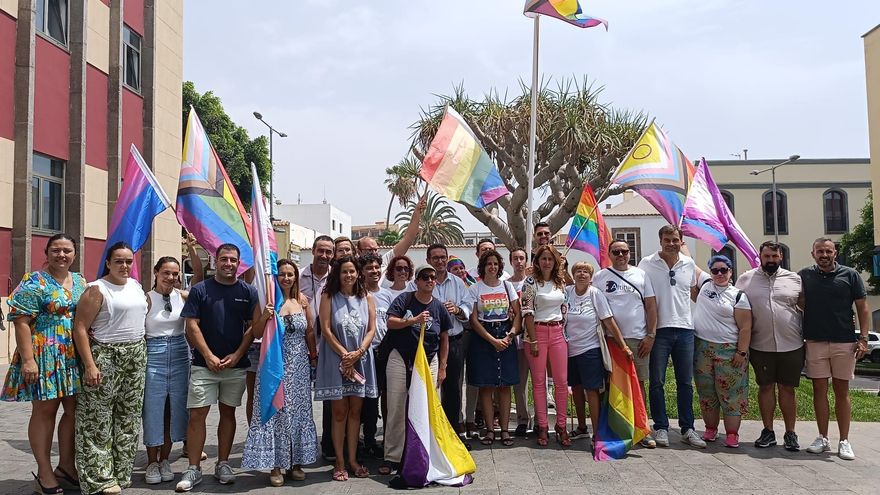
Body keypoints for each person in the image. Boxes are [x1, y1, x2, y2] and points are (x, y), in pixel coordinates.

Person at [3, 234, 85, 494]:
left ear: (75, 253)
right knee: (45, 412)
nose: (62, 255)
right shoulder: (34, 281)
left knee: (74, 412)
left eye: (67, 250)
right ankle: (44, 473)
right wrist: (28, 360)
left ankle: (66, 466)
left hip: (74, 356)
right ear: (47, 252)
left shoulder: (81, 280)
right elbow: (21, 322)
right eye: (56, 250)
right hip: (44, 355)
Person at [176, 243, 258, 492]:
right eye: (224, 259)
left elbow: (253, 327)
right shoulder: (201, 290)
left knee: (228, 414)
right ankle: (193, 468)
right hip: (203, 365)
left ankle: (223, 463)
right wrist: (208, 355)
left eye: (233, 260)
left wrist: (237, 354)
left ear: (239, 263)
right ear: (215, 261)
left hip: (235, 366)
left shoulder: (248, 291)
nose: (228, 264)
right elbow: (192, 325)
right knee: (198, 415)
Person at [72, 242, 148, 495]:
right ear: (108, 263)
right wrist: (90, 365)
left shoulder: (136, 286)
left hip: (136, 355)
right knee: (98, 419)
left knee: (128, 417)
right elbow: (80, 328)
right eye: (119, 261)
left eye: (128, 261)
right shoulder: (97, 289)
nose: (124, 266)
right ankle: (99, 478)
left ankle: (121, 473)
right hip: (105, 355)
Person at [242, 259, 318, 486]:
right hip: (274, 366)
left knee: (298, 413)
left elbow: (310, 332)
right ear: (276, 277)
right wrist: (265, 316)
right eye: (282, 274)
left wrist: (313, 358)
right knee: (277, 412)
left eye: (290, 274)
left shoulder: (303, 301)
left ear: (296, 277)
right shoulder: (267, 302)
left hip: (300, 368)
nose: (286, 278)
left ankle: (297, 463)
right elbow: (254, 331)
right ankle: (275, 466)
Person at [800, 238, 871, 460]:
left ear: (835, 253)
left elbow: (863, 308)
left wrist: (864, 338)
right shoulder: (804, 276)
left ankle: (844, 441)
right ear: (813, 254)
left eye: (828, 251)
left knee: (842, 391)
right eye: (819, 251)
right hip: (815, 341)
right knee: (819, 390)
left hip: (844, 341)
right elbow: (798, 302)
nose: (824, 254)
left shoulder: (850, 275)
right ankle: (822, 437)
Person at [638, 225, 706, 448]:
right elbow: (640, 298)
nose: (671, 243)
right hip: (659, 331)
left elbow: (696, 294)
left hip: (685, 330)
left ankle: (688, 428)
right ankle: (661, 427)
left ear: (681, 241)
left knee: (685, 382)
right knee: (656, 382)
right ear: (660, 241)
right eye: (667, 239)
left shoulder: (688, 264)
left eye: (675, 240)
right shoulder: (646, 264)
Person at [382, 264, 452, 475]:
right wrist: (413, 320)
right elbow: (391, 322)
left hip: (429, 360)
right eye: (425, 277)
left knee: (429, 407)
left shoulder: (438, 307)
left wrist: (443, 367)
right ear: (417, 281)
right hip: (400, 358)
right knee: (396, 406)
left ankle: (426, 452)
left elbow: (445, 338)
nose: (429, 280)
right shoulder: (405, 299)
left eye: (432, 277)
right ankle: (393, 456)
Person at [314, 256, 378, 481]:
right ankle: (339, 461)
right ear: (337, 274)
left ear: (358, 273)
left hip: (360, 359)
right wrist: (345, 356)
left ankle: (353, 459)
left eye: (352, 271)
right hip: (336, 359)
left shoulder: (367, 297)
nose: (349, 275)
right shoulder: (329, 296)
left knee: (355, 412)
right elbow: (326, 329)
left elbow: (371, 329)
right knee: (339, 413)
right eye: (344, 272)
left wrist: (358, 353)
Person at [736, 241, 804, 451]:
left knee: (787, 389)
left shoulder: (795, 280)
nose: (771, 260)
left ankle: (791, 433)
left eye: (775, 257)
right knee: (765, 387)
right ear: (760, 257)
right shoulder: (746, 279)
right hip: (760, 345)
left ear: (781, 257)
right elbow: (734, 307)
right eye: (767, 257)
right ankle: (768, 431)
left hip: (791, 344)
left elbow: (806, 307)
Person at [142, 252, 201, 485]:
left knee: (173, 410)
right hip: (153, 354)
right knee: (153, 409)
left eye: (175, 273)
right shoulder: (145, 298)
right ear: (156, 273)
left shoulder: (183, 296)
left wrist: (194, 251)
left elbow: (198, 276)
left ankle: (165, 459)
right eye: (165, 272)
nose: (170, 277)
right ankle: (151, 462)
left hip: (179, 353)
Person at [592, 240, 657, 447]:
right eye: (616, 251)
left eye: (625, 251)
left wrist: (651, 335)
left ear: (630, 253)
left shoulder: (641, 275)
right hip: (610, 341)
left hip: (639, 340)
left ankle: (641, 429)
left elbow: (651, 306)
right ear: (609, 254)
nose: (621, 255)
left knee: (638, 385)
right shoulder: (600, 277)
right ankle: (616, 427)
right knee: (611, 385)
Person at [565, 261, 632, 445]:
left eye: (585, 272)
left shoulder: (595, 294)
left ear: (591, 276)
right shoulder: (567, 292)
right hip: (570, 350)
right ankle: (581, 427)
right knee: (576, 389)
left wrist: (623, 345)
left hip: (590, 349)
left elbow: (608, 321)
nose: (581, 274)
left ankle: (597, 432)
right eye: (578, 271)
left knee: (592, 391)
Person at [692, 255, 752, 448]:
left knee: (731, 393)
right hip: (703, 347)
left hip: (729, 349)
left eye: (723, 270)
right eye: (715, 270)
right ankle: (710, 429)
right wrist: (680, 234)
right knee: (706, 391)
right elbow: (690, 262)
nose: (719, 274)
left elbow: (745, 328)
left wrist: (741, 352)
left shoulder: (738, 296)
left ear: (730, 272)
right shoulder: (706, 286)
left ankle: (732, 433)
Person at [415, 244, 474, 437]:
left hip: (454, 341)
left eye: (443, 257)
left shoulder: (457, 282)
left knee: (453, 390)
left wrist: (457, 310)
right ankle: (429, 434)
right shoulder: (419, 282)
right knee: (425, 390)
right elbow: (411, 303)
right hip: (428, 344)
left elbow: (468, 305)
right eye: (435, 258)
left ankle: (453, 434)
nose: (440, 261)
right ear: (428, 260)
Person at [467, 250, 521, 446]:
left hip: (505, 335)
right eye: (488, 263)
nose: (492, 267)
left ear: (499, 266)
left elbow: (518, 314)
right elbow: (473, 319)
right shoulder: (475, 288)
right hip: (483, 338)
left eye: (495, 263)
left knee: (506, 385)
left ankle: (505, 430)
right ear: (483, 266)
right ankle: (490, 430)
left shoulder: (507, 286)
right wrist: (491, 339)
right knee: (486, 385)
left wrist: (511, 335)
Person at [521, 245, 569, 446]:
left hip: (557, 331)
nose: (547, 262)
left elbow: (564, 306)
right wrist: (532, 340)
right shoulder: (530, 283)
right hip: (536, 332)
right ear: (537, 261)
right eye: (543, 259)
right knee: (539, 382)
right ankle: (542, 426)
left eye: (550, 259)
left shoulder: (560, 282)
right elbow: (527, 311)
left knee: (561, 382)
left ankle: (561, 425)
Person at [299, 235, 334, 459]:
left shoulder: (337, 278)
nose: (324, 256)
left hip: (328, 345)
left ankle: (329, 445)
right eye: (320, 250)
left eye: (328, 252)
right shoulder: (298, 276)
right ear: (312, 250)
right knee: (300, 399)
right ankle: (301, 448)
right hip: (299, 345)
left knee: (331, 399)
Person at [359, 253, 392, 460]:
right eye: (369, 268)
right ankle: (368, 440)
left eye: (377, 267)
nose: (374, 271)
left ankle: (388, 439)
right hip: (364, 354)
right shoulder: (357, 295)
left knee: (388, 399)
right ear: (362, 272)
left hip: (385, 352)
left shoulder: (388, 295)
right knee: (369, 400)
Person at [357, 189, 427, 280]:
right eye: (369, 250)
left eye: (376, 249)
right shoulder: (351, 269)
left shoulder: (384, 261)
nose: (374, 253)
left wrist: (417, 211)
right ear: (359, 251)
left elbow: (408, 239)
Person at [507, 247, 532, 438]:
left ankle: (540, 420)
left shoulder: (533, 282)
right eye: (515, 258)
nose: (519, 261)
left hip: (535, 337)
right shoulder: (505, 284)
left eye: (522, 258)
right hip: (516, 339)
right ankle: (523, 419)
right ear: (511, 261)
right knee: (520, 383)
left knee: (540, 381)